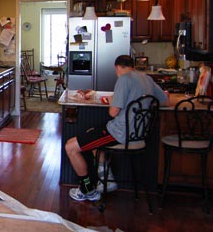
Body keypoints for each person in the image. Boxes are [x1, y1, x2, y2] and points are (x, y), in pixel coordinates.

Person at [65, 55, 169, 201]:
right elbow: (165, 101)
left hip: (120, 133)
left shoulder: (124, 79)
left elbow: (113, 113)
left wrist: (113, 101)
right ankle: (106, 178)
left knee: (70, 147)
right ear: (133, 66)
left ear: (117, 68)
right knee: (91, 134)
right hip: (138, 135)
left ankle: (87, 190)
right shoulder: (147, 79)